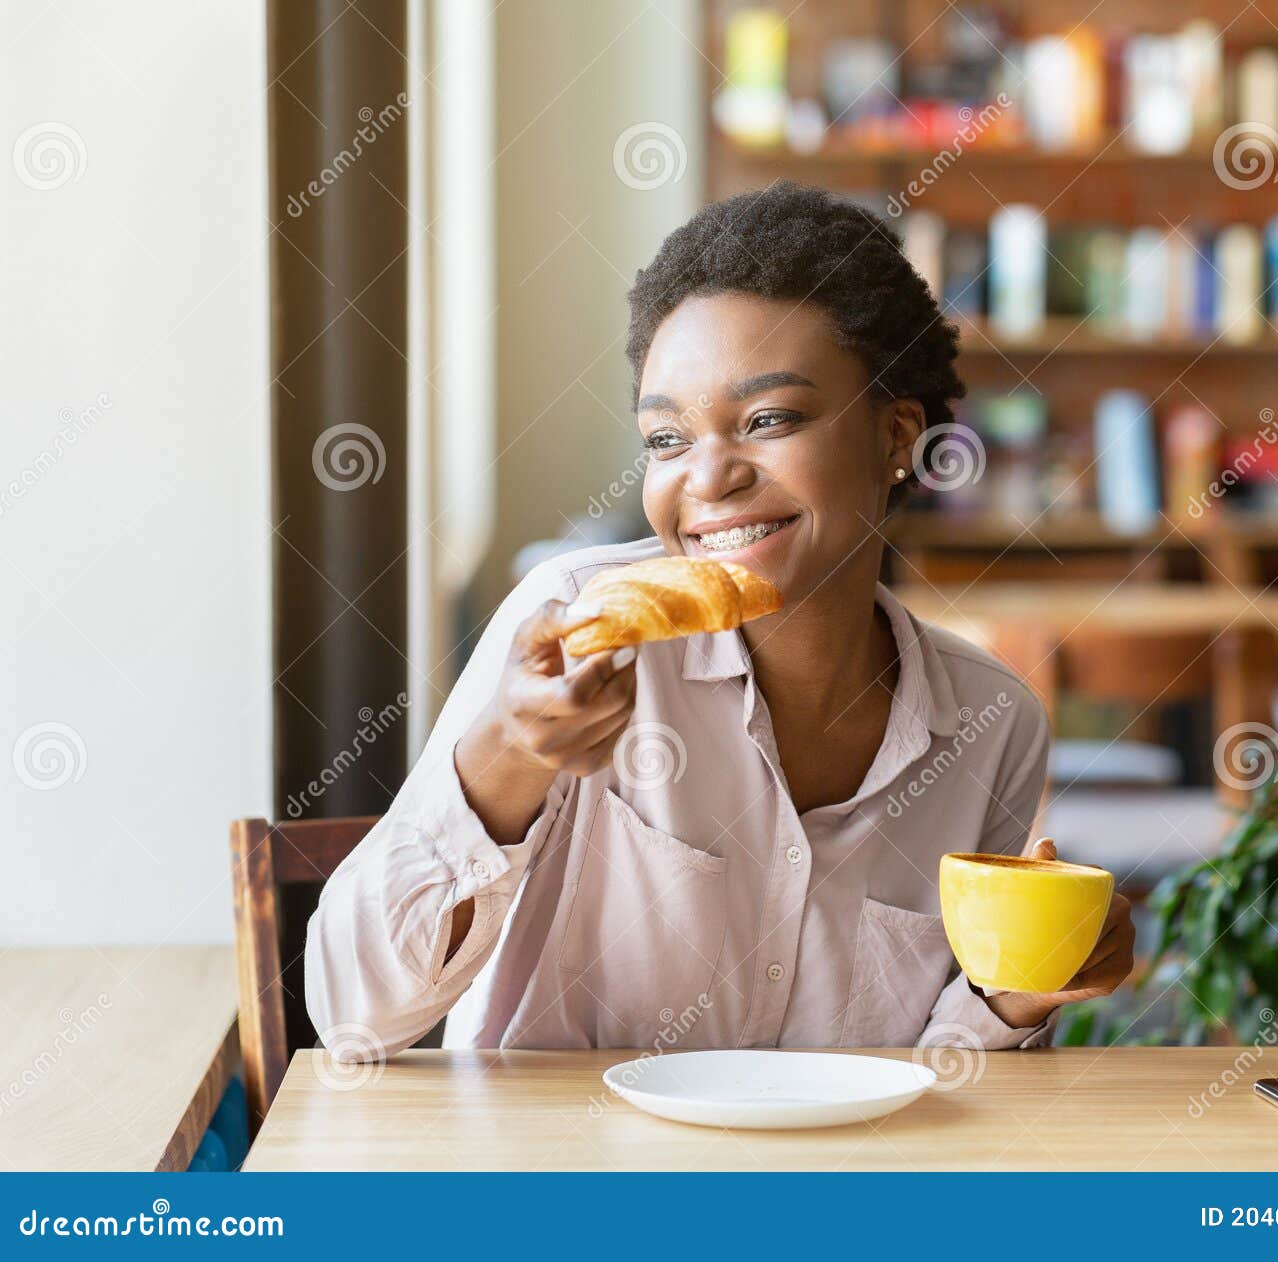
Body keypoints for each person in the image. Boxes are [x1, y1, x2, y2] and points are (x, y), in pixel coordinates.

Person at [306, 181, 1134, 1057]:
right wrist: (512, 752)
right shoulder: (578, 632)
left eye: (769, 419)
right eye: (666, 439)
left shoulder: (993, 724)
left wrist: (1016, 999)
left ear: (897, 437)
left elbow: (939, 1081)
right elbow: (354, 1012)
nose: (707, 479)